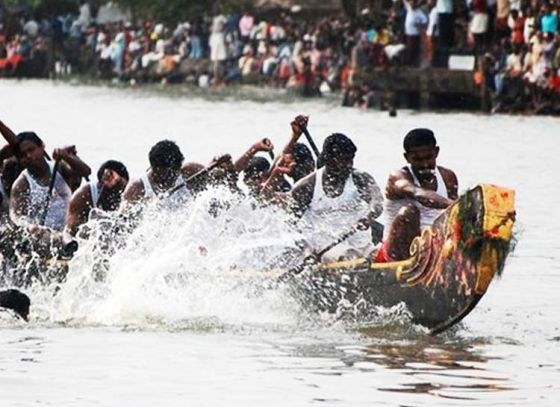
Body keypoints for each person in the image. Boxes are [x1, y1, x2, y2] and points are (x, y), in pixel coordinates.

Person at [282, 133, 383, 261]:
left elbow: (378, 202)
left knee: (381, 255)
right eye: (343, 160)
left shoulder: (360, 178)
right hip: (328, 249)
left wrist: (368, 216)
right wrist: (306, 250)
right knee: (349, 257)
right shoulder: (306, 186)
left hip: (363, 246)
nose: (349, 165)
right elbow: (290, 225)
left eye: (351, 159)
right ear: (327, 158)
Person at [378, 128, 458, 262]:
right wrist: (458, 205)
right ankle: (411, 262)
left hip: (434, 248)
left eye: (429, 158)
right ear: (407, 157)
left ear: (436, 152)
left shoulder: (448, 177)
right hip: (395, 252)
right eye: (417, 159)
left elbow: (454, 216)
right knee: (409, 212)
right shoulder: (398, 177)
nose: (425, 164)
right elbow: (418, 193)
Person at [10, 132, 91, 232]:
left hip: (69, 231)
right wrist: (29, 226)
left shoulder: (60, 167)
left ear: (42, 146)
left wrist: (67, 157)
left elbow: (86, 171)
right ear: (19, 160)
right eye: (23, 155)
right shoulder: (21, 184)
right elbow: (16, 217)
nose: (29, 156)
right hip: (42, 236)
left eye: (31, 150)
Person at [65, 160, 129, 238]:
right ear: (100, 185)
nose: (115, 194)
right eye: (109, 191)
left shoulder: (134, 191)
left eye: (119, 187)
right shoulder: (83, 196)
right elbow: (70, 232)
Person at [122, 140, 196, 205]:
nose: (173, 176)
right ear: (155, 168)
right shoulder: (137, 188)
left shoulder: (190, 172)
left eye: (175, 171)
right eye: (168, 173)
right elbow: (121, 219)